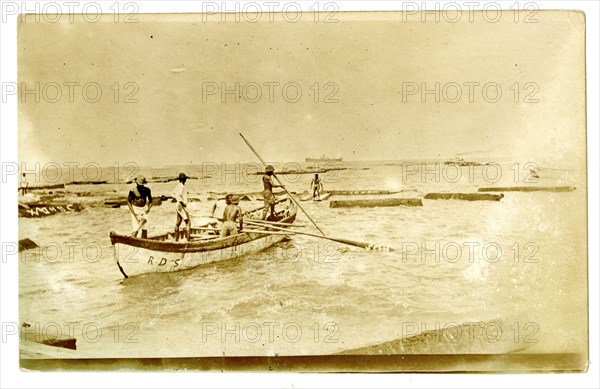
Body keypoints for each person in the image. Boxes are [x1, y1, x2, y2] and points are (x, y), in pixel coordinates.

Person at [171, 172, 190, 242]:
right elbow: (178, 195)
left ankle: (176, 240)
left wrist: (178, 200)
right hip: (181, 205)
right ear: (184, 180)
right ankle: (188, 240)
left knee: (178, 223)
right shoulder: (182, 186)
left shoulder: (178, 186)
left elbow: (172, 193)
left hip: (178, 205)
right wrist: (182, 202)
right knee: (188, 223)